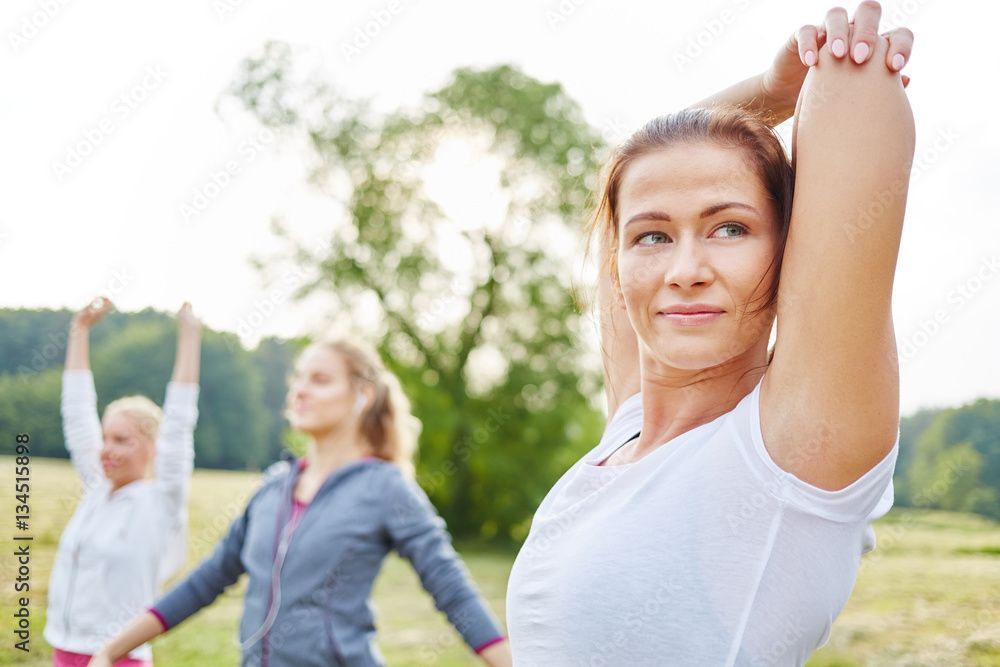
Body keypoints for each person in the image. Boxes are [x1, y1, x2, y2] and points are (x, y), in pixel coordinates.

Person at [506, 2, 915, 664]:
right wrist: (769, 90)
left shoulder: (789, 456)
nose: (685, 270)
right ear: (621, 261)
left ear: (790, 251)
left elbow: (854, 93)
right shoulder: (629, 431)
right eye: (655, 236)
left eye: (730, 228)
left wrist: (830, 67)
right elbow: (625, 188)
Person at [90, 336, 512, 667]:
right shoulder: (274, 487)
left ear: (362, 395)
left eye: (320, 380)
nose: (300, 391)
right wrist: (113, 650)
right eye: (299, 378)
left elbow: (451, 589)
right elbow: (206, 581)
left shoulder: (385, 488)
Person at [44, 297, 202, 666]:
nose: (107, 449)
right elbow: (77, 412)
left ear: (151, 447)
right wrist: (79, 330)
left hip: (119, 658)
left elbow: (180, 421)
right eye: (105, 438)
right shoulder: (97, 488)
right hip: (64, 650)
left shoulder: (161, 501)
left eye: (122, 440)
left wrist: (190, 335)